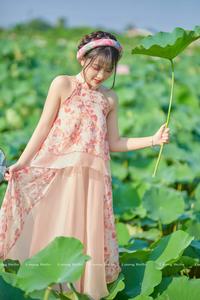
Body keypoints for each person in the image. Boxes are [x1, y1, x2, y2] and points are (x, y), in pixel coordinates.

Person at [0, 30, 170, 299]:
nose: (100, 75)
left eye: (107, 70)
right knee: (55, 231)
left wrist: (153, 139)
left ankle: (80, 290)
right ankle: (47, 286)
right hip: (58, 172)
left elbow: (115, 142)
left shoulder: (109, 98)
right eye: (96, 67)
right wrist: (22, 162)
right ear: (83, 59)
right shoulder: (62, 84)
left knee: (83, 236)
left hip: (93, 179)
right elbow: (42, 127)